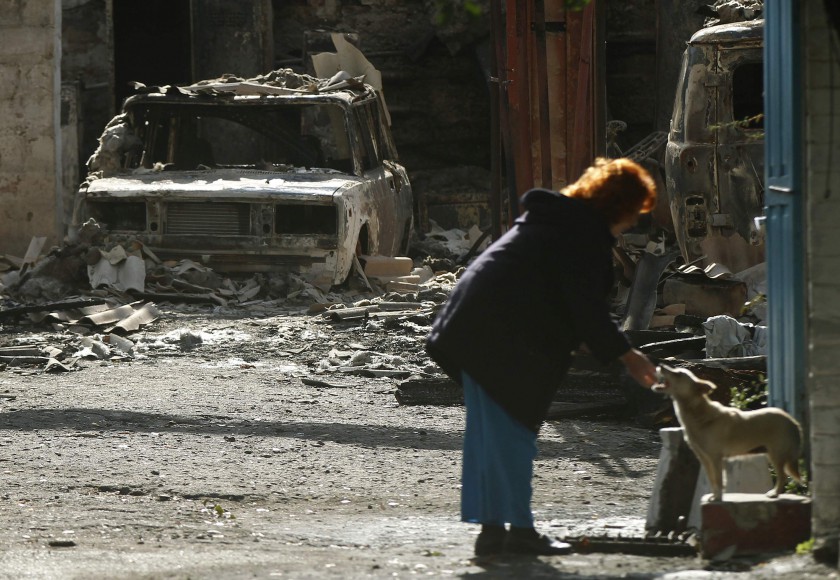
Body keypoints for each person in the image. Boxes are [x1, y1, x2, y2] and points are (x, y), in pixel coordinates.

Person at [425, 157, 660, 558]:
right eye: (632, 214)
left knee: (493, 439)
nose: (633, 224)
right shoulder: (580, 232)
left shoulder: (559, 222)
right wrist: (629, 357)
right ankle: (516, 533)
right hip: (499, 339)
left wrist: (586, 338)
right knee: (512, 439)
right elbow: (584, 306)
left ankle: (494, 535)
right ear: (618, 206)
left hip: (474, 332)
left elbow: (556, 296)